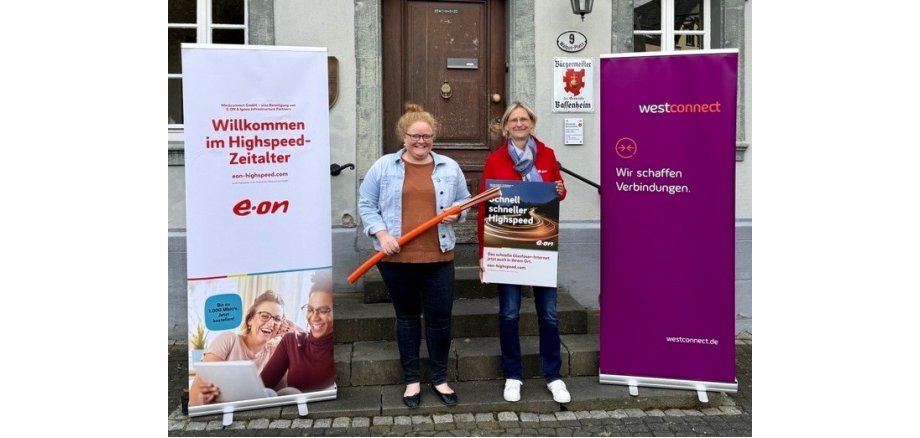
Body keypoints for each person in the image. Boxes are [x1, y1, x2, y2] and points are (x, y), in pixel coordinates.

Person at [358, 103, 472, 408]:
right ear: (403, 136)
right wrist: (382, 235)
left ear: (434, 137)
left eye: (427, 136)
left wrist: (457, 215)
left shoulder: (449, 167)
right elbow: (366, 204)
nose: (421, 141)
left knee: (439, 319)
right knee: (407, 318)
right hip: (396, 259)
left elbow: (464, 201)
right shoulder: (383, 166)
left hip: (439, 255)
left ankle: (439, 378)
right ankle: (412, 380)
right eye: (414, 136)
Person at [476, 101, 571, 404]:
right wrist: (483, 255)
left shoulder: (547, 155)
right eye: (513, 120)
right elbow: (484, 208)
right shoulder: (495, 160)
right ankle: (513, 375)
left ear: (532, 123)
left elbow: (558, 191)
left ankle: (553, 375)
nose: (519, 124)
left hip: (540, 246)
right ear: (505, 126)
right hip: (507, 248)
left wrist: (559, 190)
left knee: (550, 314)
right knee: (509, 313)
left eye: (524, 119)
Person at [189, 290, 296, 406]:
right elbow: (196, 395)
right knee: (268, 393)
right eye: (265, 316)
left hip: (256, 411)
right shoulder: (228, 340)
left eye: (277, 319)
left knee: (289, 392)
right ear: (250, 320)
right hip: (224, 410)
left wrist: (294, 330)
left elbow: (289, 389)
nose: (271, 324)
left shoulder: (276, 350)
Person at [260, 288, 336, 393]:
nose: (314, 317)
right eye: (310, 309)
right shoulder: (291, 341)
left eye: (323, 311)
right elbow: (261, 388)